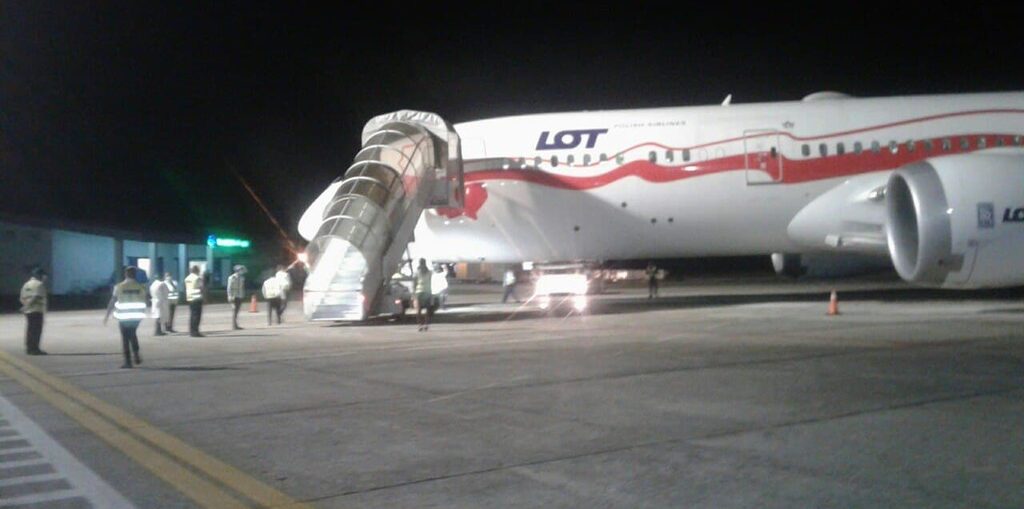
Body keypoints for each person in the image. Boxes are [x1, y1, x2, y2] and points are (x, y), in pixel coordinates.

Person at [104, 266, 147, 369]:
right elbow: (144, 301)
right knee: (133, 335)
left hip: (123, 317)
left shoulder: (119, 287)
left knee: (125, 339)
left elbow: (112, 301)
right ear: (135, 274)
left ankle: (128, 361)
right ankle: (136, 354)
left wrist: (107, 315)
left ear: (125, 274)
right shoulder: (141, 287)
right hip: (136, 317)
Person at [20, 267, 48, 355]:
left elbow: (22, 297)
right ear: (40, 275)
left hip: (28, 311)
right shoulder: (39, 284)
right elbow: (36, 296)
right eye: (43, 276)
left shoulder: (26, 284)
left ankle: (29, 348)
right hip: (36, 310)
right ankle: (35, 349)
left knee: (30, 330)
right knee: (36, 331)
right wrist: (28, 305)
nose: (45, 278)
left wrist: (25, 306)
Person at [184, 265, 204, 337]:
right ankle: (195, 331)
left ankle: (191, 331)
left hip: (190, 297)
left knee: (192, 315)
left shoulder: (187, 278)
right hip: (197, 298)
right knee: (197, 316)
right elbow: (201, 287)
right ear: (197, 270)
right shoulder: (197, 278)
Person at [414, 258, 433, 331]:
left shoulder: (417, 272)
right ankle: (426, 324)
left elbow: (414, 283)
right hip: (427, 291)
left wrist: (413, 293)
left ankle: (420, 325)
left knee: (418, 309)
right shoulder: (429, 272)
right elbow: (430, 281)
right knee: (427, 309)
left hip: (419, 291)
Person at [226, 265, 246, 330]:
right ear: (237, 270)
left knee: (237, 311)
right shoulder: (232, 277)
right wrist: (229, 296)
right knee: (234, 310)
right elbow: (229, 288)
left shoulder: (242, 278)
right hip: (233, 296)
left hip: (239, 295)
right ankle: (234, 325)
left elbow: (242, 287)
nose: (242, 271)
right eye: (241, 270)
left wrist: (243, 294)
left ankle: (235, 324)